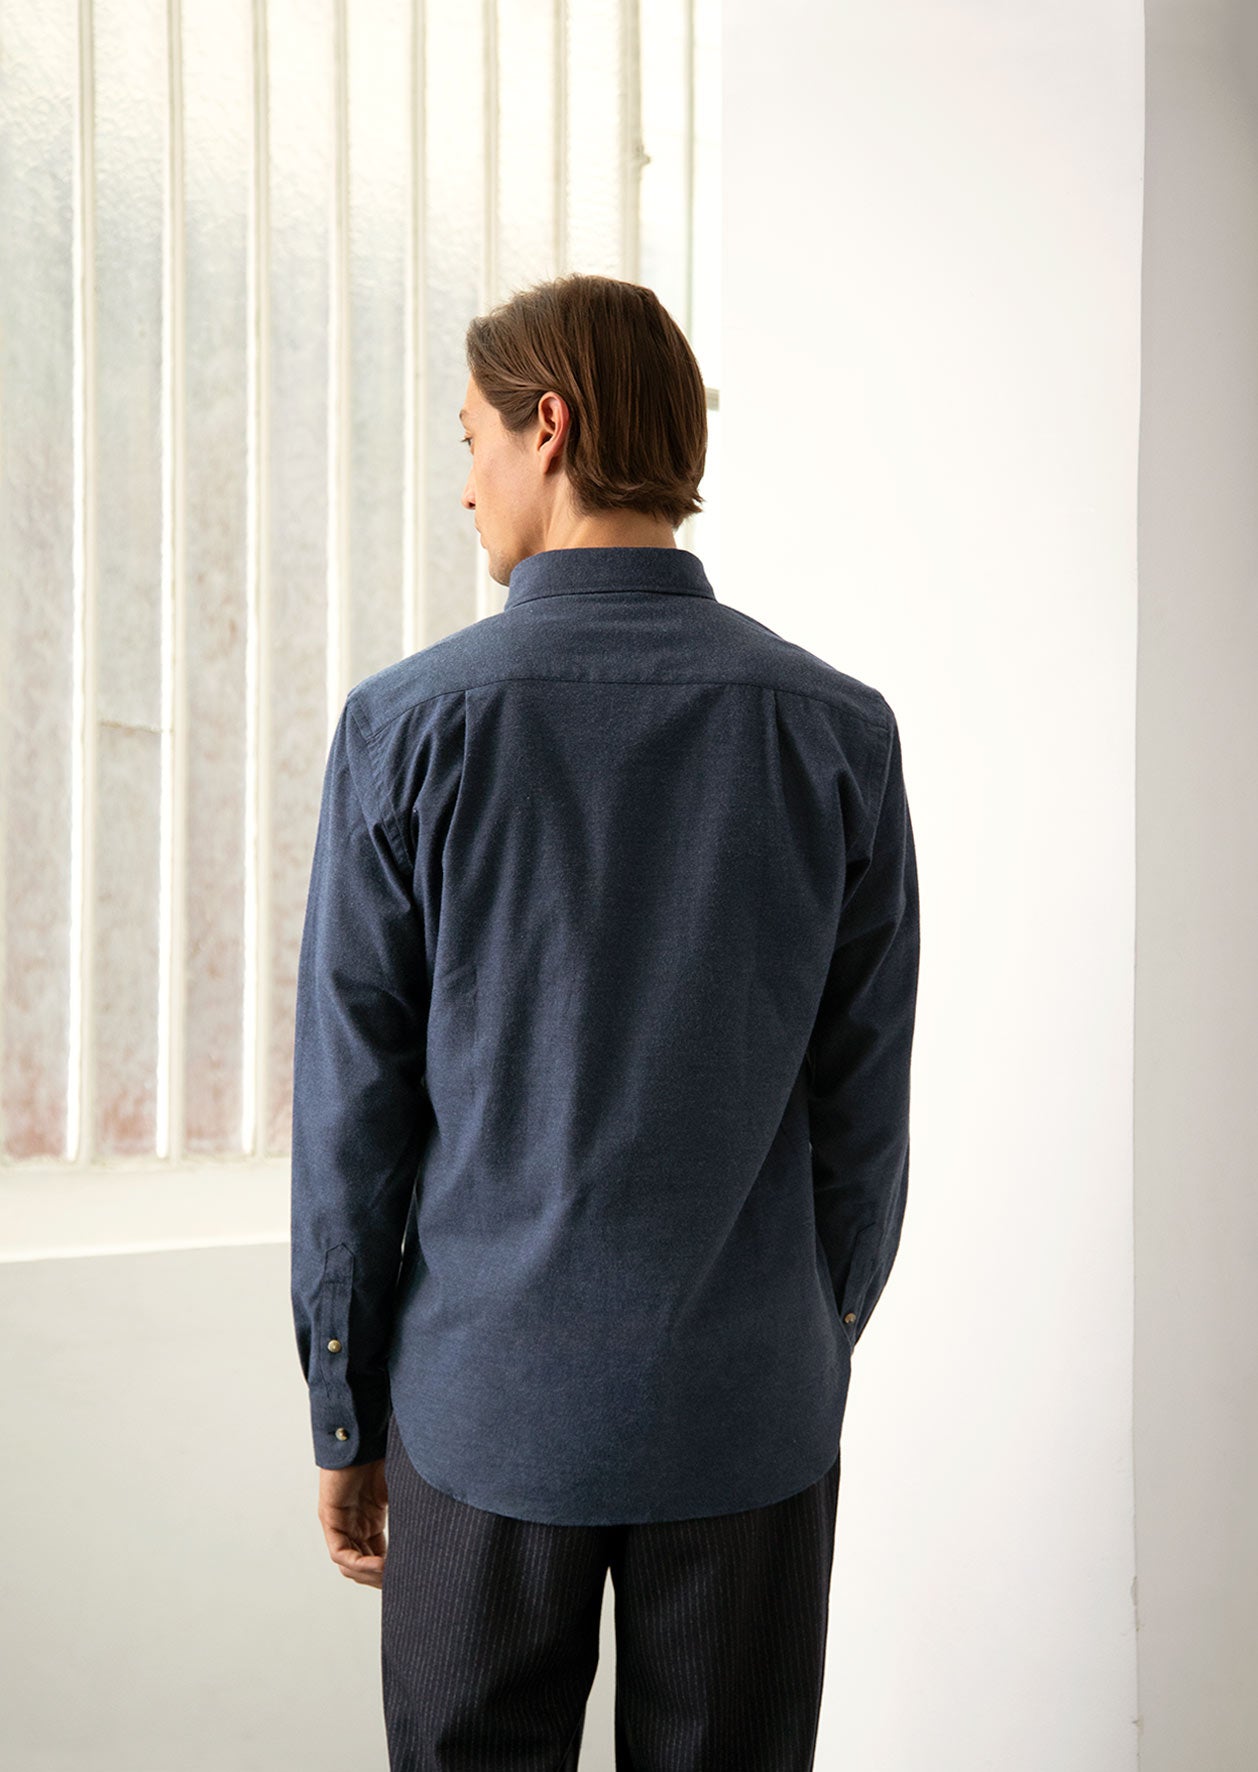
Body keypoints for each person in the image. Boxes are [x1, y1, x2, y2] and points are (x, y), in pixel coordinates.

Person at [290, 270, 920, 1770]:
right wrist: (807, 1337)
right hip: (748, 1405)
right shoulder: (836, 731)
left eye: (472, 439)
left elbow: (355, 1117)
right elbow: (863, 1108)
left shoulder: (407, 727)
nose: (465, 485)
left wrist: (344, 1404)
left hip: (483, 1410)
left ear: (550, 429)